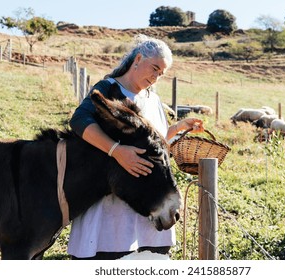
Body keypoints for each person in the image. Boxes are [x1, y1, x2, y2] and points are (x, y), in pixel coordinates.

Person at [67, 34, 204, 260]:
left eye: (161, 74)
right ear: (138, 59)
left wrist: (178, 127)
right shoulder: (109, 88)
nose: (157, 77)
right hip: (111, 195)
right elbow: (79, 121)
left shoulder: (153, 100)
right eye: (155, 68)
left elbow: (152, 142)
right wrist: (117, 152)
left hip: (150, 193)